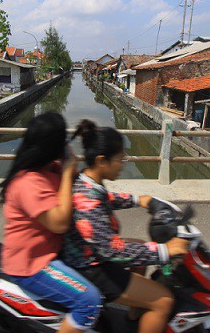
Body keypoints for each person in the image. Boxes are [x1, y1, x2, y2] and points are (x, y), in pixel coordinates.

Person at [61, 119, 189, 333]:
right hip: (91, 267)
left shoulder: (86, 180)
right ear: (102, 161)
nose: (124, 163)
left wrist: (140, 200)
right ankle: (147, 308)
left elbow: (105, 198)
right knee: (164, 300)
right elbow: (111, 249)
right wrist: (165, 251)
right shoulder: (86, 200)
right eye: (120, 159)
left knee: (139, 246)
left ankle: (134, 313)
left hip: (91, 255)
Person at [0, 112, 102, 333]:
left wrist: (74, 150)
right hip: (32, 265)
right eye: (62, 140)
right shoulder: (28, 183)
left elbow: (75, 177)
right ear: (51, 146)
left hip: (52, 252)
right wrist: (65, 172)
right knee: (90, 301)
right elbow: (60, 224)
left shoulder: (48, 167)